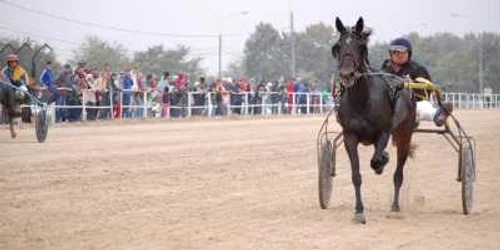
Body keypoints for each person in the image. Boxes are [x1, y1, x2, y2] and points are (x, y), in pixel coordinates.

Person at [381, 38, 453, 126]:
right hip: (388, 105)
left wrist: (411, 83)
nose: (398, 55)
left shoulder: (417, 69)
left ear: (409, 53)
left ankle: (438, 115)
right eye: (395, 52)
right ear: (390, 54)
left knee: (422, 106)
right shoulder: (384, 69)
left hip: (410, 105)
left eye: (402, 52)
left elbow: (426, 90)